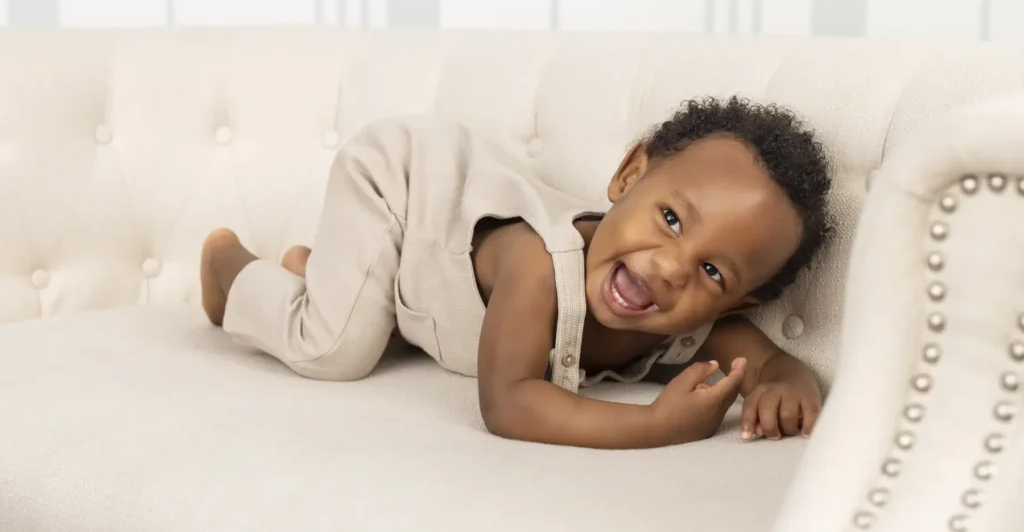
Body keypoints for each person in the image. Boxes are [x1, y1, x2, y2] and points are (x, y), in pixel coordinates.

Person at [200, 96, 832, 449]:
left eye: (715, 272)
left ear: (735, 304)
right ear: (629, 176)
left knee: (379, 315)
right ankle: (232, 267)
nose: (670, 268)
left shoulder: (683, 319)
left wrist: (789, 380)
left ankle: (327, 272)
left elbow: (765, 361)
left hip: (424, 269)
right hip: (406, 185)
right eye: (670, 218)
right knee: (336, 348)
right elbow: (509, 404)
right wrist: (654, 425)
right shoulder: (537, 262)